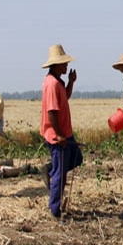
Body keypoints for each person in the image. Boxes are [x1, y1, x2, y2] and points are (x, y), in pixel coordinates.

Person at [40, 44, 83, 218]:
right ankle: (55, 210)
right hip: (58, 135)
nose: (66, 65)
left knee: (76, 158)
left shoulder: (58, 82)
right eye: (64, 63)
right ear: (56, 65)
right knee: (60, 174)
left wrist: (71, 82)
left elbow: (65, 96)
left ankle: (50, 169)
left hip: (65, 132)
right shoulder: (51, 84)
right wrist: (58, 134)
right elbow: (51, 112)